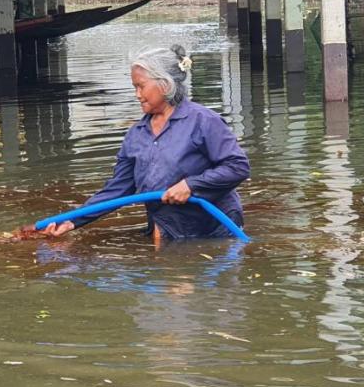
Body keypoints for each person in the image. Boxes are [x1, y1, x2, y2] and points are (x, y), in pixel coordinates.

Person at [40, 45, 249, 242]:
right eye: (134, 87)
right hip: (167, 228)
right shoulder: (136, 135)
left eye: (141, 86)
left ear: (165, 84)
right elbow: (117, 189)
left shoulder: (204, 121)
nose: (137, 95)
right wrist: (72, 221)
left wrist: (190, 186)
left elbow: (237, 167)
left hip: (215, 229)